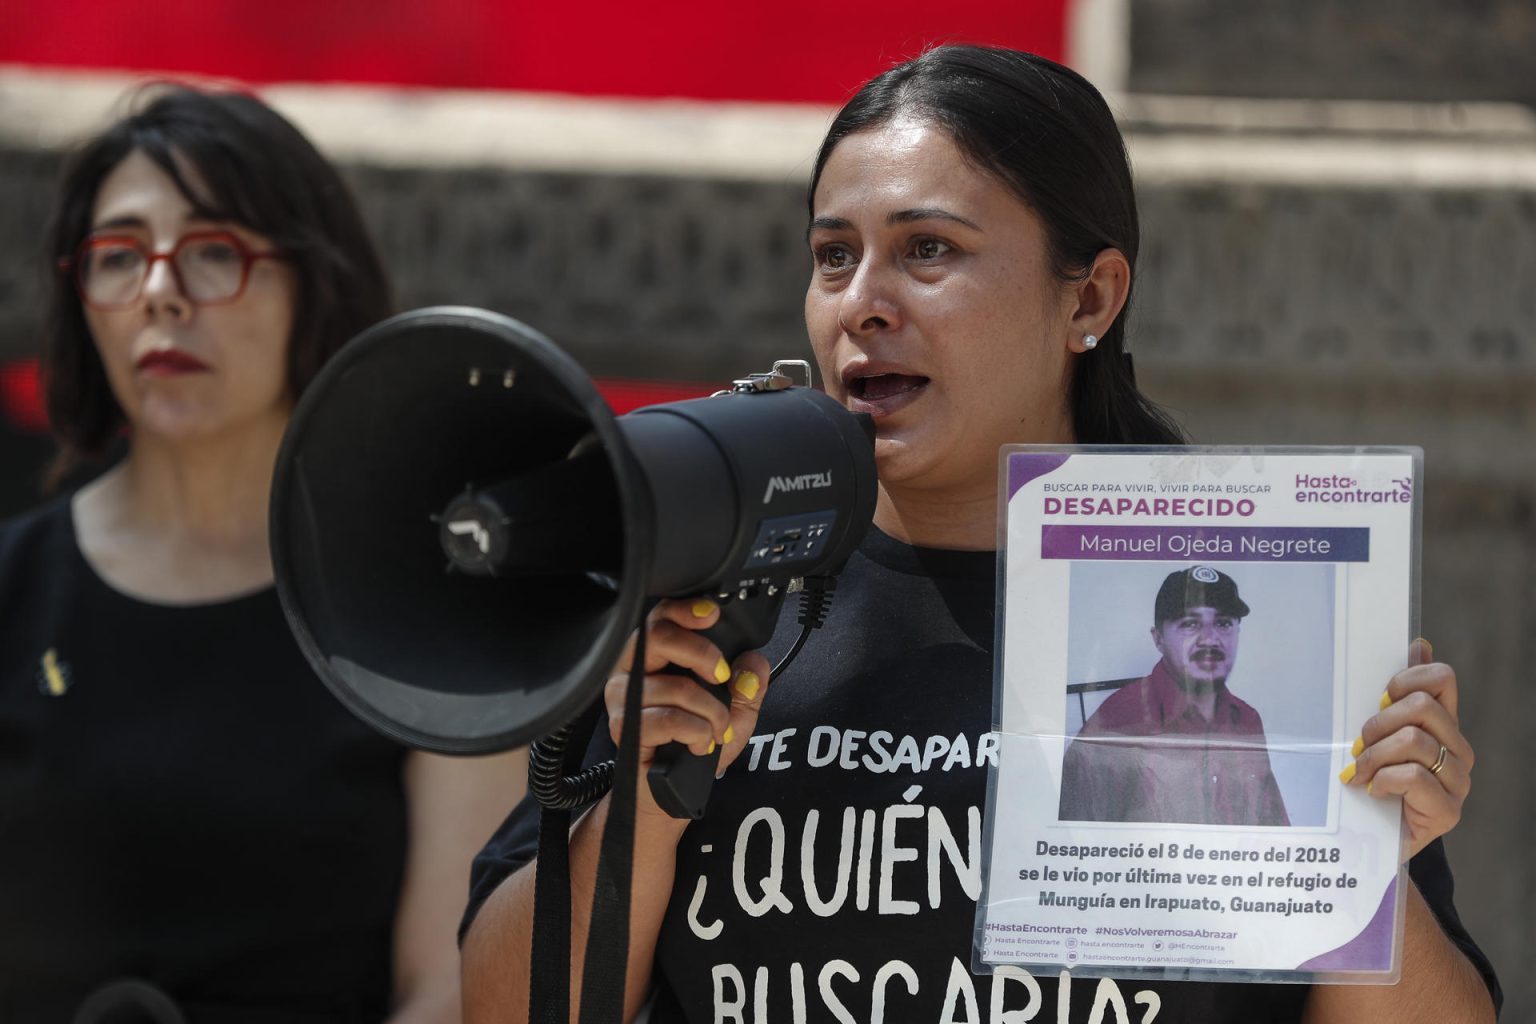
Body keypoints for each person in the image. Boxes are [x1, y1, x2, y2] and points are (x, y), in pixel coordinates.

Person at [460, 46, 1498, 1023]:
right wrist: (644, 800)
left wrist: (1377, 869)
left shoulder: (1242, 622)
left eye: (928, 249)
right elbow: (504, 1004)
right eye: (832, 256)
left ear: (1088, 296)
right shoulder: (713, 595)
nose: (862, 302)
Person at [0, 85, 525, 1022]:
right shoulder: (14, 588)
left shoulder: (434, 602)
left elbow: (459, 987)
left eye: (214, 251)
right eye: (119, 256)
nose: (161, 290)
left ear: (312, 283)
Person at [1059, 565, 1290, 826]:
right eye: (1190, 624)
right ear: (1158, 639)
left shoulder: (1247, 720)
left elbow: (1275, 830)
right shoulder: (1116, 722)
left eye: (1223, 623)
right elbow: (1073, 844)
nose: (1210, 639)